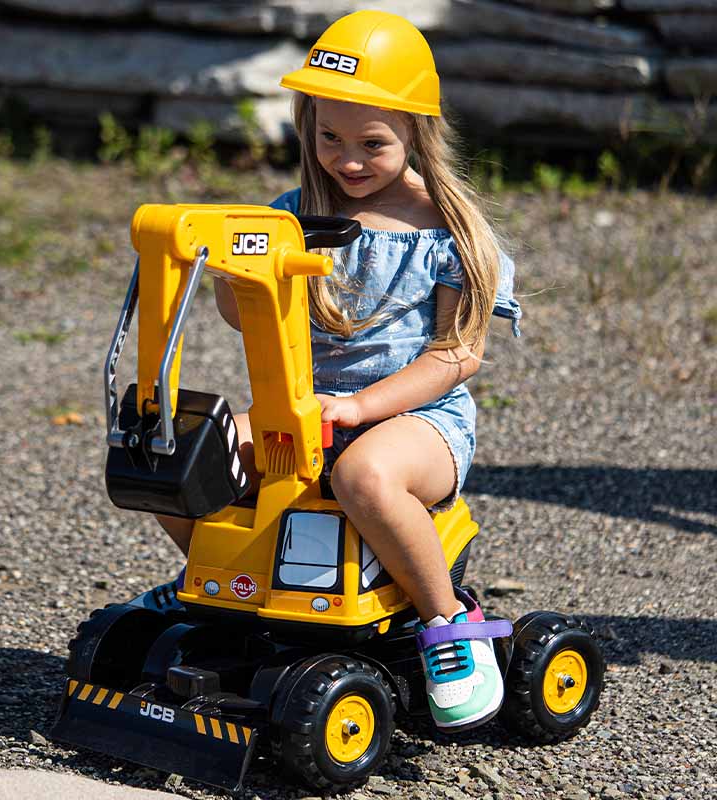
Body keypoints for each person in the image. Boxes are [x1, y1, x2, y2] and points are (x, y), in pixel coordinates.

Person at [159, 10, 522, 732]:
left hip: (416, 422)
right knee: (178, 455)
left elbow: (456, 356)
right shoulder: (291, 216)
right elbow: (250, 322)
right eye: (329, 138)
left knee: (364, 476)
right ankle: (237, 582)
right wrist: (236, 285)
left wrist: (361, 410)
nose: (347, 160)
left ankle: (448, 621)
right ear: (306, 123)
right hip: (304, 410)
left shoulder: (449, 233)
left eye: (371, 145)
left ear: (417, 132)